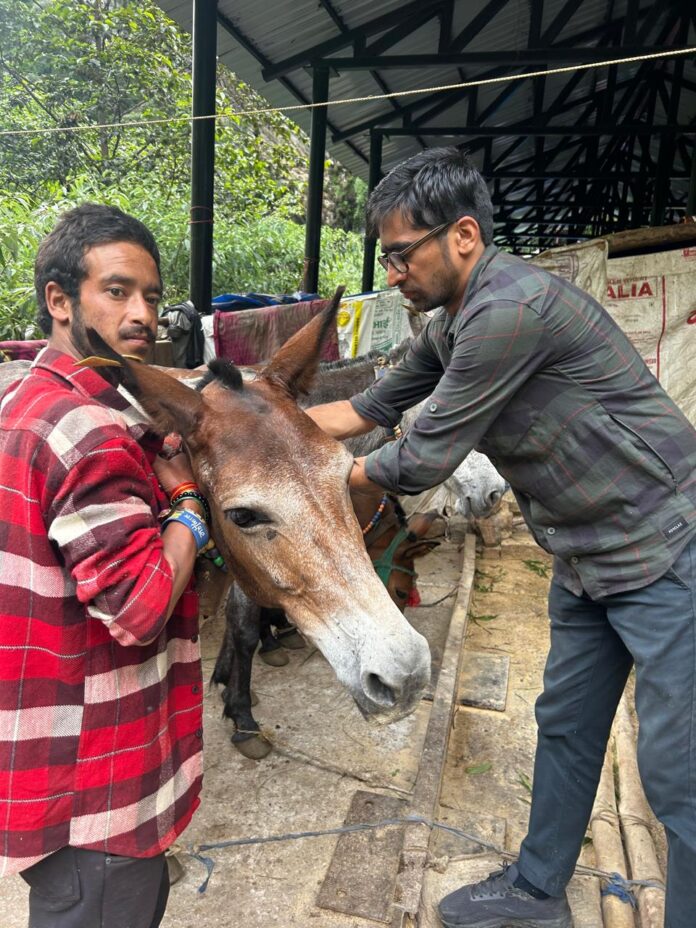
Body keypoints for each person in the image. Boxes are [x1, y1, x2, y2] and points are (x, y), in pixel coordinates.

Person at [307, 147, 696, 928]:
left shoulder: (507, 309)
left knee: (677, 768)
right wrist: (253, 431)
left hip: (665, 547)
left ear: (462, 236)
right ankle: (535, 890)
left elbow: (421, 456)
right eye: (386, 257)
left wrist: (310, 485)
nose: (392, 275)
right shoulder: (448, 325)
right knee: (565, 723)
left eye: (399, 254)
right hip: (586, 554)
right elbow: (367, 410)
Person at [0, 204, 212, 928]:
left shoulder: (21, 395)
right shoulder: (89, 434)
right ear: (59, 301)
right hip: (103, 786)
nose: (143, 314)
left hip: (42, 751)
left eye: (151, 296)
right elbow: (143, 607)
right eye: (116, 292)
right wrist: (187, 506)